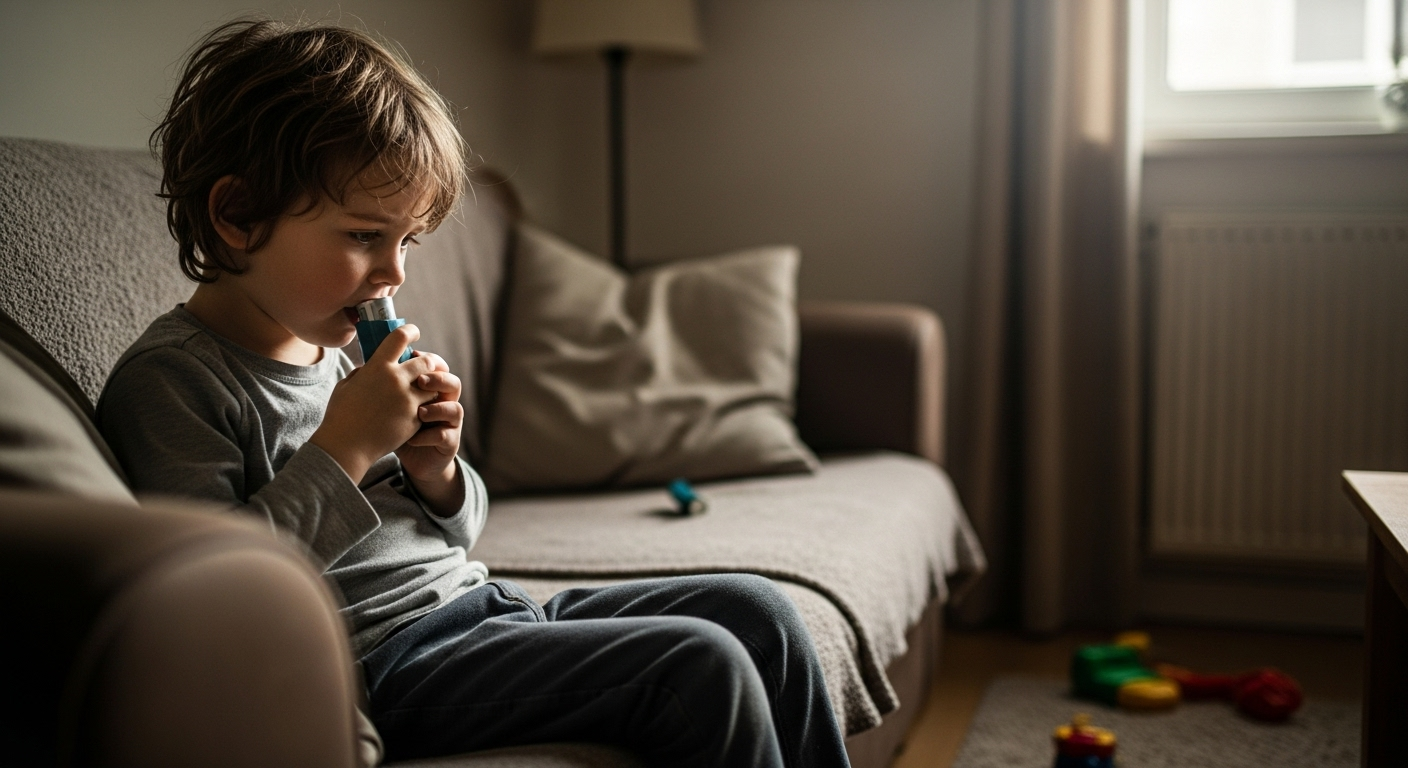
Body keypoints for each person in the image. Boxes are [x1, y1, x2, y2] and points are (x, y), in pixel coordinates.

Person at [97, 18, 850, 768]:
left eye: (407, 242)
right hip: (385, 665)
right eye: (363, 236)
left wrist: (439, 473)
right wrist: (347, 447)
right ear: (237, 216)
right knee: (698, 665)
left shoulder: (334, 350)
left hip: (482, 608)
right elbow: (219, 598)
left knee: (761, 614)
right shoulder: (174, 382)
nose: (394, 273)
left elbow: (457, 539)